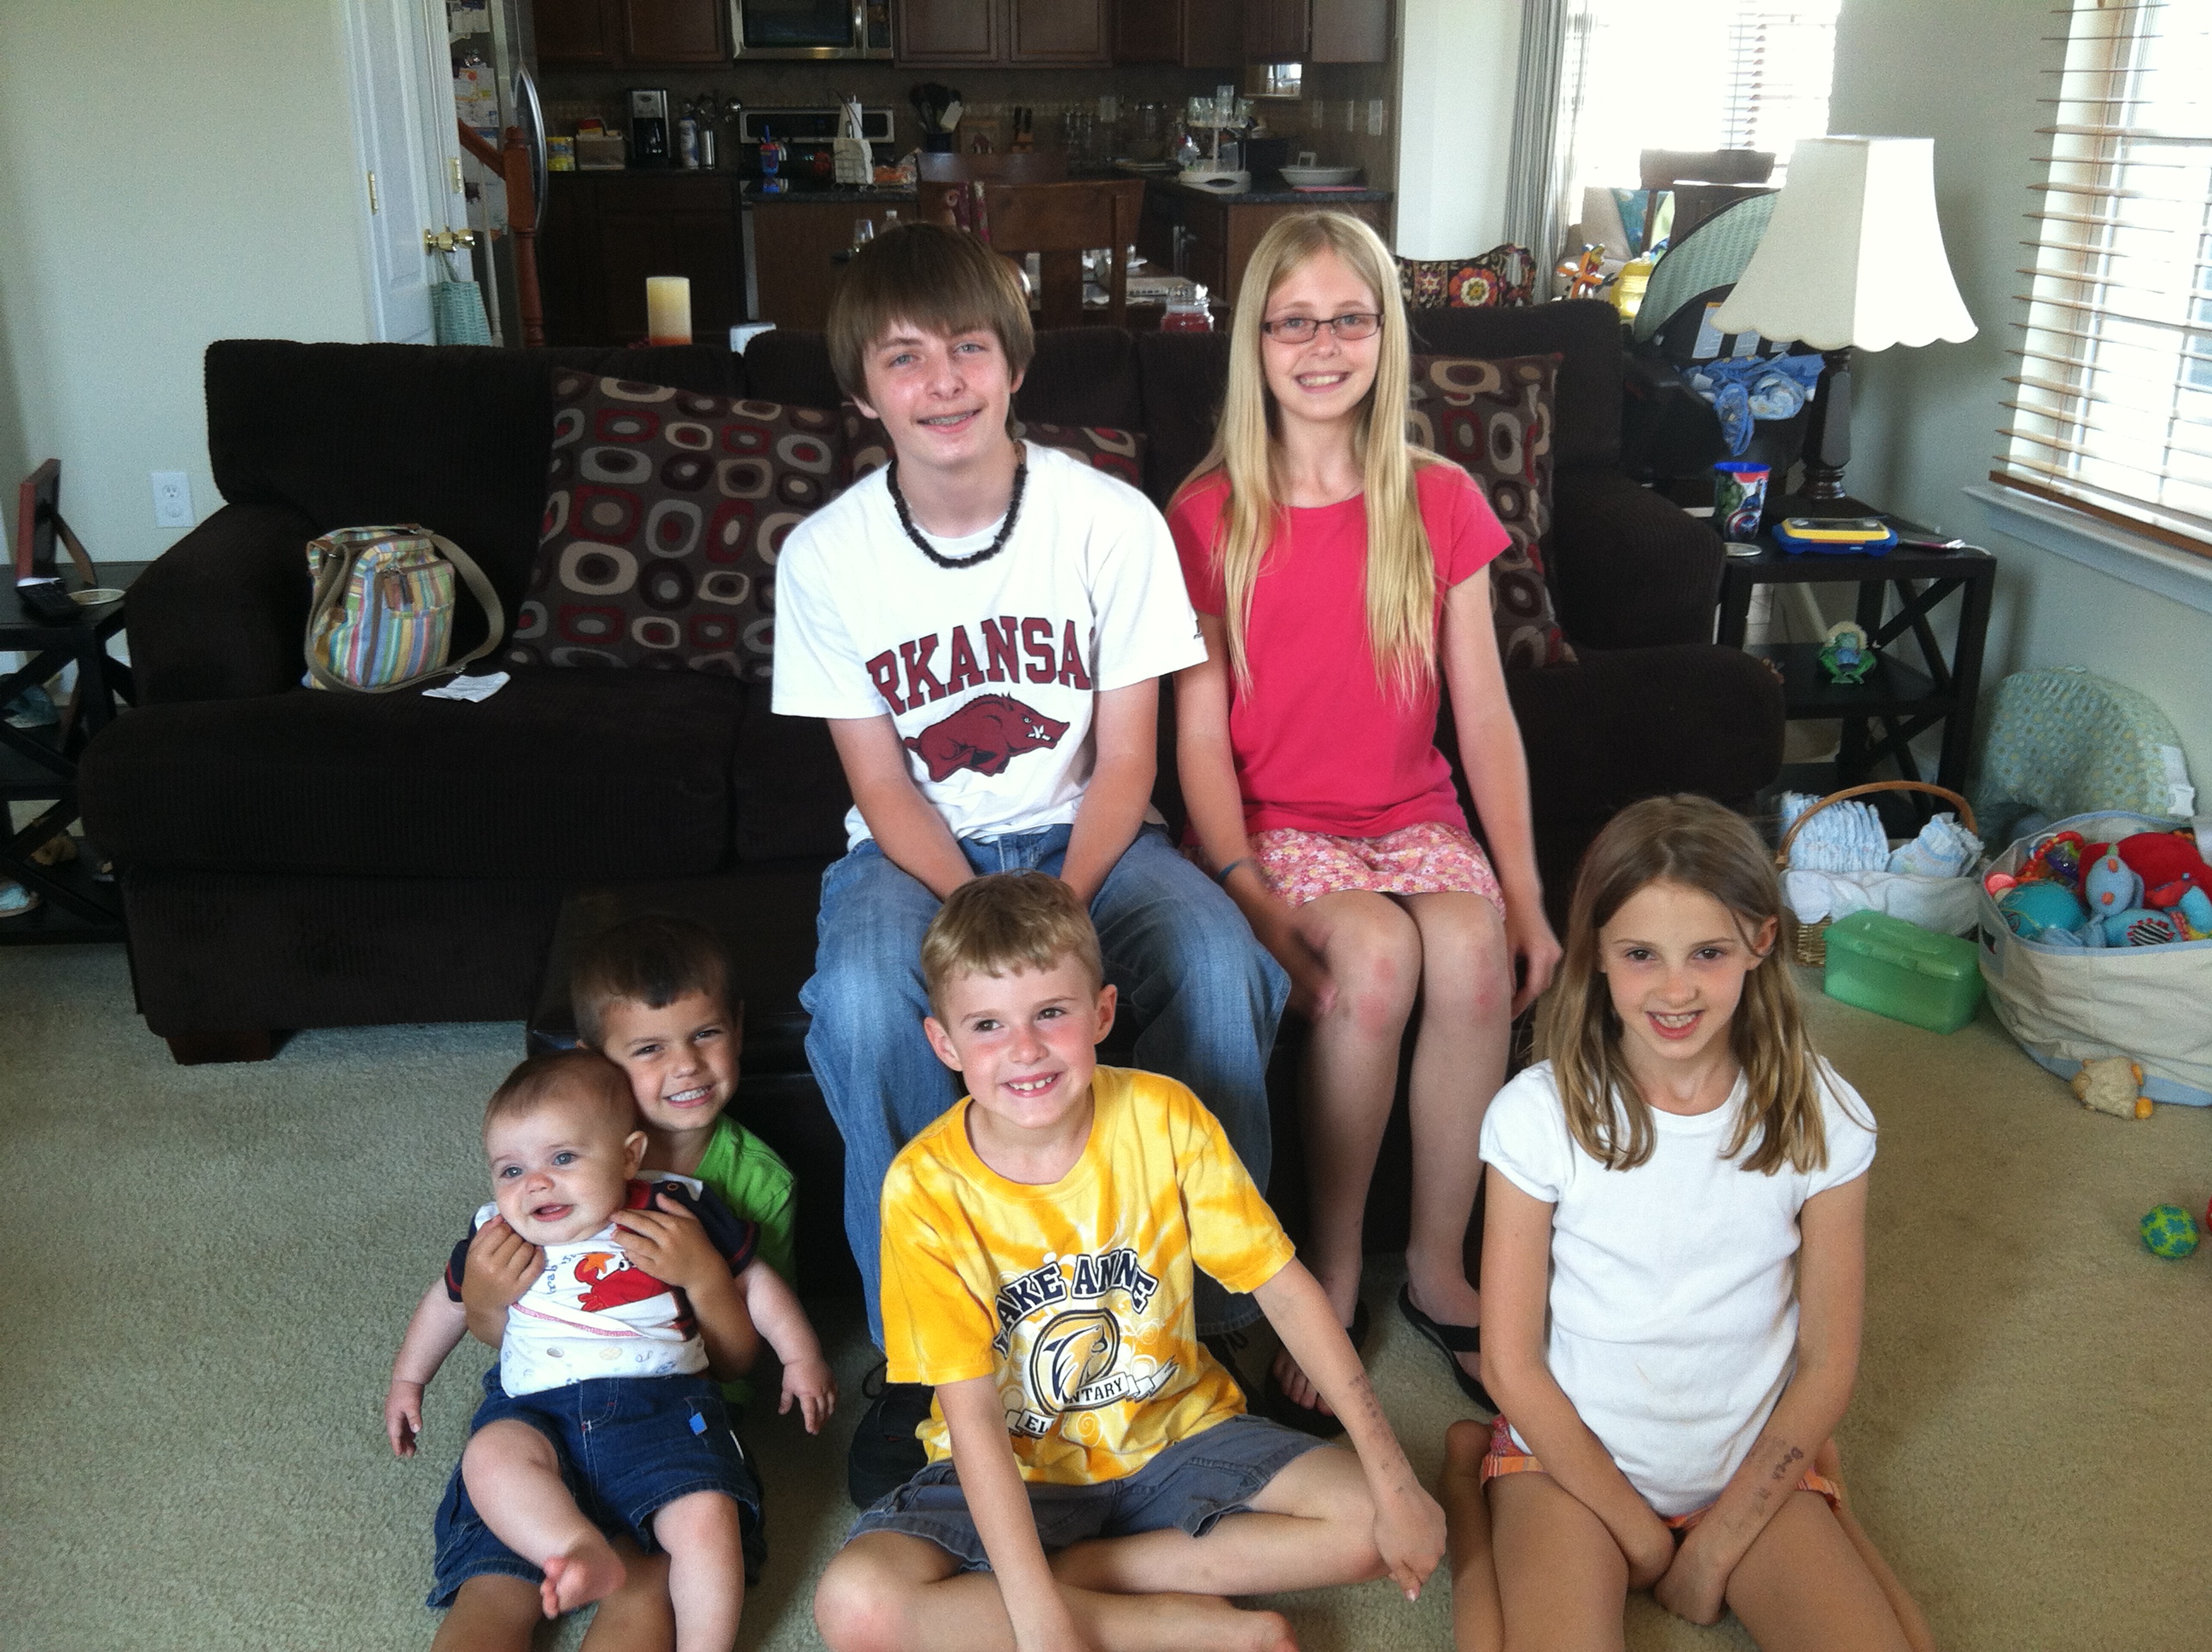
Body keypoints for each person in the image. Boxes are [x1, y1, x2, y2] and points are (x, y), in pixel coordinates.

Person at [771, 222, 1289, 1501]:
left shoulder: (1107, 520)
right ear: (863, 391)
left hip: (1090, 834)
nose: (941, 381)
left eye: (967, 348)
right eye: (904, 358)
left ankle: (1222, 1316)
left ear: (1014, 365)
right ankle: (921, 1360)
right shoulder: (826, 555)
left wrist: (1060, 905)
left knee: (1218, 960)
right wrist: (984, 927)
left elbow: (1129, 759)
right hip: (917, 855)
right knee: (863, 1000)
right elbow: (881, 784)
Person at [811, 872, 1445, 1652]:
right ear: (944, 1045)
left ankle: (1084, 1577)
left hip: (1178, 1434)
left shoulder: (1165, 1116)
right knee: (855, 1604)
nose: (1025, 1050)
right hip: (1019, 1467)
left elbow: (1285, 1290)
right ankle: (1178, 1625)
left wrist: (1394, 1479)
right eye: (987, 1025)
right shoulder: (922, 1186)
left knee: (1379, 1521)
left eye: (1051, 1012)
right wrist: (1039, 1624)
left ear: (1102, 1012)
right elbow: (970, 1414)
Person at [1167, 211, 1560, 1429]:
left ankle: (1439, 1266)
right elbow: (1197, 733)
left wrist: (1526, 897)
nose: (1324, 345)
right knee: (1378, 960)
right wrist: (1243, 888)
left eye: (1350, 318)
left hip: (1409, 812)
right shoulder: (1209, 512)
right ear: (1256, 341)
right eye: (1296, 323)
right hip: (1276, 822)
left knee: (1473, 954)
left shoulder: (1438, 499)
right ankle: (1331, 1270)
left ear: (1387, 335)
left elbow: (1483, 716)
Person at [1464, 794, 1935, 1649]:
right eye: (1641, 953)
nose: (1675, 989)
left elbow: (1829, 1362)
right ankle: (1472, 1483)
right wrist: (1642, 1538)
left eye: (1708, 953)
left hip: (1748, 1471)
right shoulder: (1534, 1117)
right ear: (1597, 954)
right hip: (1566, 1467)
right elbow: (1509, 1360)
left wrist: (1716, 1546)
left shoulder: (1827, 1115)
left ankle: (1825, 1497)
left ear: (1762, 940)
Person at [401, 919, 837, 1652]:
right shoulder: (534, 1186)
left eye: (705, 1035)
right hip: (536, 1408)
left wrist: (710, 1280)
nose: (686, 1066)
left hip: (669, 1404)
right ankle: (573, 1551)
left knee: (666, 1561)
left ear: (736, 1029)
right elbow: (477, 1319)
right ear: (591, 1058)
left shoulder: (723, 1194)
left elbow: (738, 1361)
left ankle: (642, 1581)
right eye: (649, 1048)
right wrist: (425, 1360)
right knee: (494, 1566)